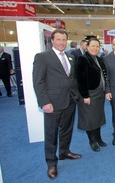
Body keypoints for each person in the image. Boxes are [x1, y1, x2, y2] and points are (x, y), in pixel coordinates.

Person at [32, 29, 81, 180]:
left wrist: (77, 96)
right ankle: (51, 163)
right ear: (52, 40)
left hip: (70, 101)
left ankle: (65, 152)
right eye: (58, 39)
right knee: (51, 134)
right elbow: (38, 81)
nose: (61, 42)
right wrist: (44, 102)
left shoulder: (70, 56)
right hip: (52, 103)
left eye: (64, 40)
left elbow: (71, 79)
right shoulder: (42, 57)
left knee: (67, 129)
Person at [76, 38, 107, 152]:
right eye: (92, 46)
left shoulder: (99, 59)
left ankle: (99, 138)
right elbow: (80, 79)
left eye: (97, 46)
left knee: (98, 117)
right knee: (89, 119)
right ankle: (92, 141)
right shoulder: (83, 59)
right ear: (87, 47)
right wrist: (85, 96)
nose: (95, 48)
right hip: (89, 94)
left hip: (99, 94)